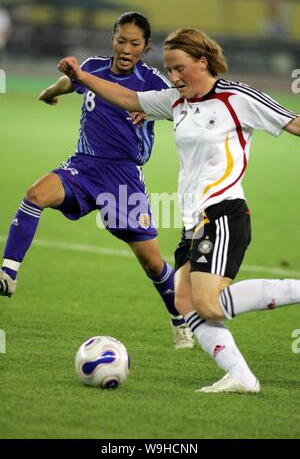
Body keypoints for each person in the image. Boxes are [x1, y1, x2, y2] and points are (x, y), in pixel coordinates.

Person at [56, 27, 300, 393]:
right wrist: (81, 77)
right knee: (185, 303)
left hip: (223, 213)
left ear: (203, 62)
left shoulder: (237, 98)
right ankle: (242, 377)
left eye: (180, 68)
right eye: (169, 69)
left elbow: (294, 122)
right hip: (193, 222)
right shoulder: (175, 102)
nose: (174, 77)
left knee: (207, 304)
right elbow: (126, 97)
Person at [0, 13, 194, 350]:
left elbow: (183, 105)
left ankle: (180, 320)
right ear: (113, 39)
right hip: (83, 168)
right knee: (35, 194)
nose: (126, 48)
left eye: (135, 43)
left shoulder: (152, 82)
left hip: (123, 179)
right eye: (121, 40)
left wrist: (152, 111)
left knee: (151, 261)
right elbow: (74, 82)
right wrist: (49, 91)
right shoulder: (94, 66)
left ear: (145, 46)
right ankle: (8, 272)